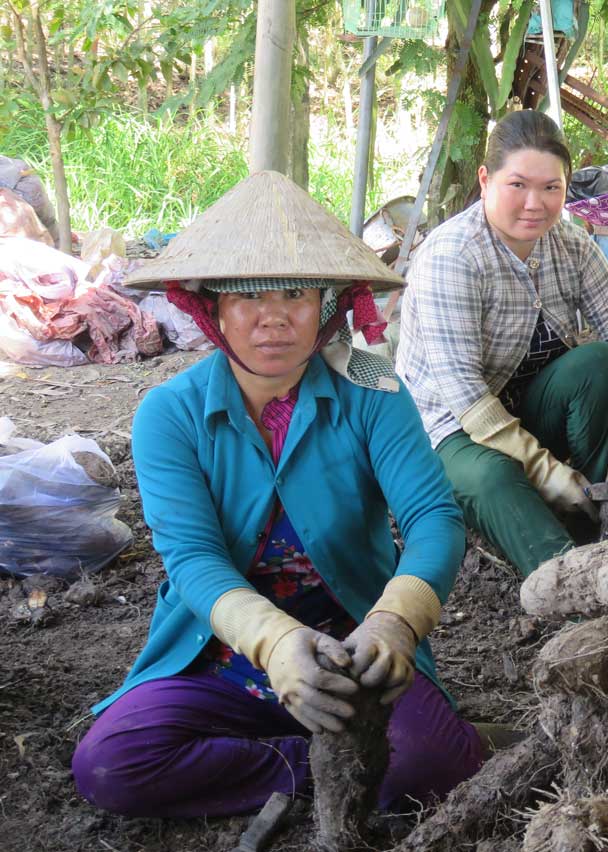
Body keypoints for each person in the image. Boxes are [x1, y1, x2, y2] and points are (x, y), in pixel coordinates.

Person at [71, 171, 483, 818]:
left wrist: (396, 621)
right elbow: (193, 561)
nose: (273, 318)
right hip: (226, 650)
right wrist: (275, 644)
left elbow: (433, 517)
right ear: (209, 310)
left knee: (434, 766)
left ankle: (338, 750)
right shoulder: (169, 416)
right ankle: (318, 763)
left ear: (325, 304)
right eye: (246, 298)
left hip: (356, 646)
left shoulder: (374, 392)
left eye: (294, 293)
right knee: (111, 765)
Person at [396, 110, 608, 577]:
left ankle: (605, 514)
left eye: (551, 188)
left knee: (601, 365)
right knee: (493, 477)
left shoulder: (571, 245)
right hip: (450, 431)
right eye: (518, 185)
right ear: (485, 180)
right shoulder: (452, 257)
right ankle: (568, 583)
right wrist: (546, 472)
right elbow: (464, 393)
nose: (535, 204)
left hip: (521, 411)